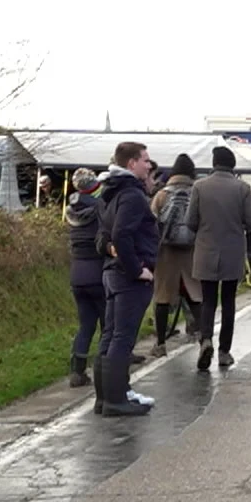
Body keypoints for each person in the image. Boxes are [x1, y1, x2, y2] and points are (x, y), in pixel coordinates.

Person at [97, 143, 157, 417]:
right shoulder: (132, 195)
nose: (149, 165)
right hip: (127, 277)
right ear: (132, 163)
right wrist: (136, 269)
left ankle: (105, 396)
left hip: (110, 273)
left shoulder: (109, 193)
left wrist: (113, 252)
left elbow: (103, 238)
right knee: (122, 338)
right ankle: (116, 399)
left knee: (109, 336)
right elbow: (122, 234)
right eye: (145, 160)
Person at [189, 147, 251, 372]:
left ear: (214, 163)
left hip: (205, 252)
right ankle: (224, 352)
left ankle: (206, 339)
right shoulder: (242, 189)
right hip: (232, 252)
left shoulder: (199, 187)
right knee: (228, 302)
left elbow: (190, 222)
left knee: (208, 300)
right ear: (232, 166)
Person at [146, 154, 202, 361]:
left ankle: (160, 343)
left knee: (162, 299)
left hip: (165, 255)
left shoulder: (161, 195)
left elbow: (151, 224)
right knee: (195, 296)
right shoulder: (197, 193)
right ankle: (205, 338)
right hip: (191, 254)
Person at [65, 168, 106, 388]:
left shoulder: (70, 211)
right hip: (98, 272)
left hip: (77, 274)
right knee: (108, 325)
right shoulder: (99, 209)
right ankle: (105, 369)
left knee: (86, 325)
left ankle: (77, 371)